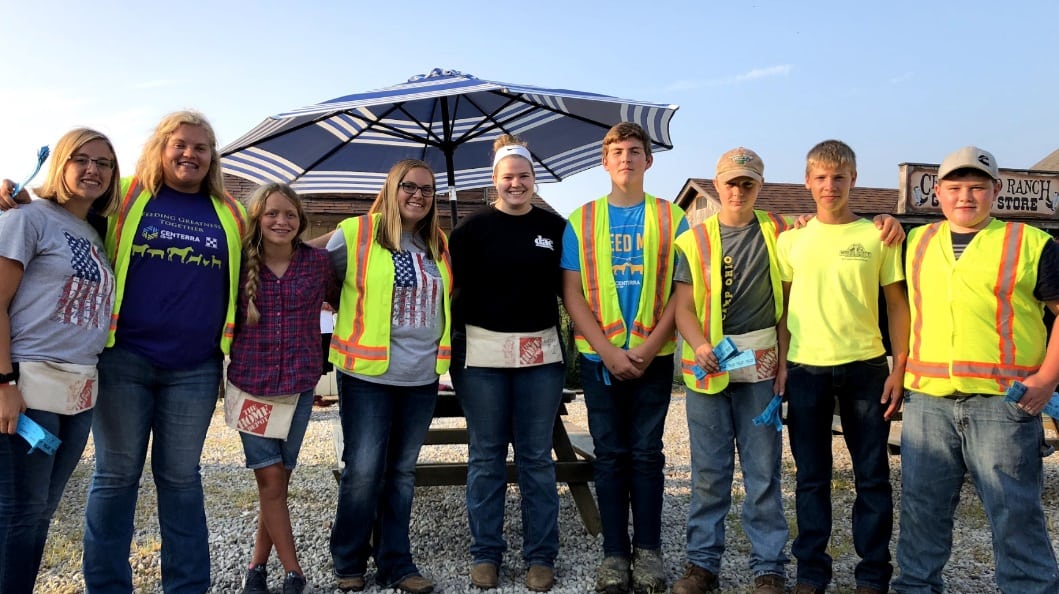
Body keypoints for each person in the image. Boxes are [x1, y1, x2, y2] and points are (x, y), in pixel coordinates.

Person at [81, 110, 247, 594]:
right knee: (115, 477)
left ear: (211, 157)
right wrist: (17, 195)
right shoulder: (127, 193)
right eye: (181, 144)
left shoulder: (230, 212)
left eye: (201, 147)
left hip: (195, 367)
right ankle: (108, 585)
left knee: (180, 479)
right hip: (123, 358)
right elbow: (66, 204)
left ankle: (188, 585)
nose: (190, 154)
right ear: (161, 147)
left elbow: (273, 252)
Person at [893, 147, 1059, 593]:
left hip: (1003, 406)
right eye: (955, 187)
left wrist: (1047, 379)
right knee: (921, 513)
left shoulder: (1031, 243)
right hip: (928, 402)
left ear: (995, 191)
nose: (965, 196)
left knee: (1014, 512)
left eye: (977, 187)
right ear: (938, 193)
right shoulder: (914, 242)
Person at [776, 140, 909, 594]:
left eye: (839, 177)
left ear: (853, 180)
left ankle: (872, 574)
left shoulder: (878, 235)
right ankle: (811, 572)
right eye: (821, 177)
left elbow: (897, 305)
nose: (829, 185)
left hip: (866, 367)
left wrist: (899, 366)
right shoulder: (789, 240)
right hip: (806, 369)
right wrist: (781, 365)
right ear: (807, 182)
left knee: (872, 475)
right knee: (811, 478)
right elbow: (784, 309)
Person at [561, 122, 688, 594]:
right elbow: (573, 296)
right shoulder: (582, 220)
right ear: (604, 161)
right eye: (616, 152)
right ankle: (615, 554)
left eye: (635, 151)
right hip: (600, 360)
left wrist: (650, 345)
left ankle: (649, 552)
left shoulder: (673, 218)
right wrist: (609, 350)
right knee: (611, 456)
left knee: (647, 454)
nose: (625, 159)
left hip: (655, 356)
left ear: (649, 161)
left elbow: (682, 292)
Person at [0, 128, 119, 593]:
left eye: (104, 163)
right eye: (81, 159)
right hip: (30, 383)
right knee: (19, 515)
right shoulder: (27, 217)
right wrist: (3, 382)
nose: (93, 170)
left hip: (78, 389)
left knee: (40, 514)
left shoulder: (94, 230)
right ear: (61, 164)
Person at [448, 134, 568, 592]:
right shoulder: (468, 232)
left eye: (523, 176)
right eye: (507, 177)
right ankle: (486, 553)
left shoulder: (556, 229)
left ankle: (541, 555)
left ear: (533, 179)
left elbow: (574, 289)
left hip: (541, 355)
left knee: (536, 457)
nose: (515, 184)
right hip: (482, 356)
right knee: (486, 456)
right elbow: (448, 292)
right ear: (494, 181)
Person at [326, 159, 450, 594]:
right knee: (363, 470)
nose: (418, 195)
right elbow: (312, 271)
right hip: (367, 374)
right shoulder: (355, 232)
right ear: (392, 187)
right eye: (409, 186)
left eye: (427, 190)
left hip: (421, 377)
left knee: (400, 472)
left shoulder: (438, 244)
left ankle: (397, 562)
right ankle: (349, 557)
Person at [672, 147, 791, 594]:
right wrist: (699, 344)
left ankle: (769, 567)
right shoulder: (693, 240)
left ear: (760, 186)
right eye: (731, 183)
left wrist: (786, 360)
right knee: (709, 471)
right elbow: (682, 307)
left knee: (763, 472)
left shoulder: (780, 232)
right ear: (716, 185)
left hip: (761, 369)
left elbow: (787, 303)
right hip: (708, 371)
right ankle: (702, 565)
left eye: (748, 183)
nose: (739, 191)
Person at [228, 183, 338, 594]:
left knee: (276, 485)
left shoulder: (318, 264)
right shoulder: (238, 262)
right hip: (251, 386)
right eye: (272, 213)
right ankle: (295, 574)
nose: (281, 221)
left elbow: (347, 296)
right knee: (271, 483)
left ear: (300, 221)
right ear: (257, 218)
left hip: (299, 386)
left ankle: (256, 567)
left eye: (289, 214)